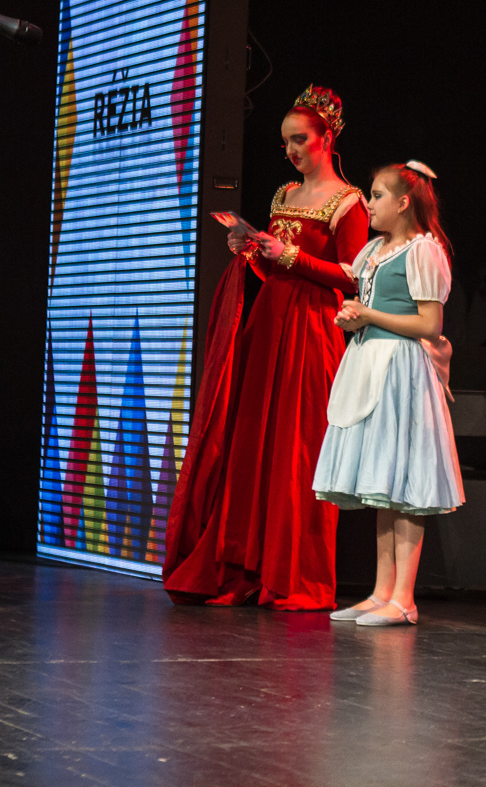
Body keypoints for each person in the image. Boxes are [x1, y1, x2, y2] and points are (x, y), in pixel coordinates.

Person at [164, 86, 369, 610]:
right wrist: (253, 250)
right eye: (286, 142)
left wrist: (291, 255)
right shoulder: (283, 195)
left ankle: (295, 575)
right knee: (255, 447)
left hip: (312, 332)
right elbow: (274, 270)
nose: (291, 150)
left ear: (327, 139)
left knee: (298, 451)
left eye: (299, 139)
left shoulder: (349, 202)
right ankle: (246, 566)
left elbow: (354, 277)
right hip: (270, 324)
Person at [315, 161, 463, 627]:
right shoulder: (373, 251)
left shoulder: (423, 250)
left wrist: (370, 317)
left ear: (403, 203)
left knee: (405, 486)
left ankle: (404, 598)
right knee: (382, 485)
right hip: (368, 364)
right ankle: (381, 592)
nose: (369, 203)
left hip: (402, 369)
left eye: (377, 195)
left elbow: (429, 324)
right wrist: (353, 319)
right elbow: (369, 305)